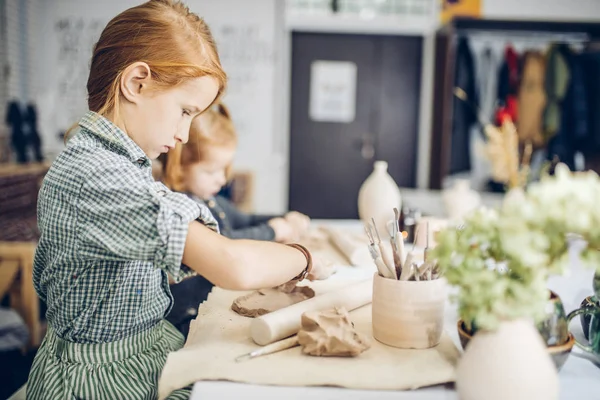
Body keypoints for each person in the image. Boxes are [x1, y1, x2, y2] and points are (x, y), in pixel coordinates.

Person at [25, 1, 325, 399]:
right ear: (136, 83)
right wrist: (304, 257)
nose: (184, 134)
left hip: (140, 349)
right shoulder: (97, 179)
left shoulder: (115, 163)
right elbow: (231, 264)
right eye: (184, 111)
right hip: (102, 379)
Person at [159, 103, 312, 335]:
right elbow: (225, 243)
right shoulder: (180, 208)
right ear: (177, 166)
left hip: (209, 303)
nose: (222, 179)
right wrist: (273, 231)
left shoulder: (211, 200)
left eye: (225, 169)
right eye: (211, 171)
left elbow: (245, 220)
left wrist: (283, 218)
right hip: (185, 317)